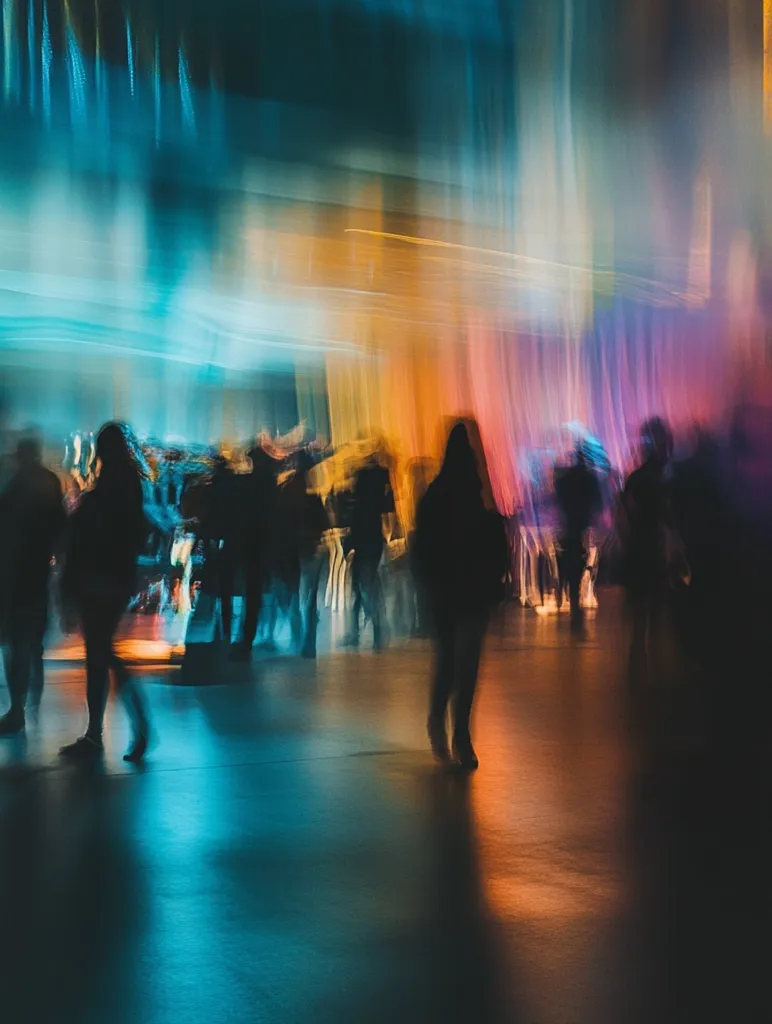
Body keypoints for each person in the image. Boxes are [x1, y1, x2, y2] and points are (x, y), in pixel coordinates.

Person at [413, 420, 508, 770]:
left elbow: (423, 547)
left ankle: (441, 725)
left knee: (449, 664)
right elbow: (493, 537)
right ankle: (460, 736)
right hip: (472, 592)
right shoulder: (477, 493)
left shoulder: (436, 495)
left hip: (447, 593)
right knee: (465, 667)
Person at [59, 423, 151, 762]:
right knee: (101, 652)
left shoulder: (109, 488)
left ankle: (105, 731)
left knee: (99, 653)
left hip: (99, 578)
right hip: (114, 578)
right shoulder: (129, 484)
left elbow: (93, 535)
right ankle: (115, 728)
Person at [0, 433, 66, 734]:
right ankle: (30, 694)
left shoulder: (14, 485)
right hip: (36, 572)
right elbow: (60, 527)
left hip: (14, 574)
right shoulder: (48, 483)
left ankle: (17, 707)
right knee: (31, 636)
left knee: (15, 640)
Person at [622, 417, 674, 666]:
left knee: (641, 612)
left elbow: (626, 515)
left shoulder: (636, 479)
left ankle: (639, 659)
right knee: (654, 610)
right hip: (654, 548)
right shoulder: (664, 479)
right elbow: (669, 516)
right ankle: (653, 662)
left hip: (640, 547)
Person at [341, 445, 395, 651]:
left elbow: (357, 521)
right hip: (372, 542)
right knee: (366, 587)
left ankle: (374, 633)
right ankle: (374, 633)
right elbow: (387, 509)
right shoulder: (378, 491)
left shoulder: (362, 498)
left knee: (364, 588)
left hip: (365, 543)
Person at [554, 444, 603, 636]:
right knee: (580, 566)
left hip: (569, 529)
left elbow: (558, 497)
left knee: (571, 569)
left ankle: (573, 605)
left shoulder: (566, 480)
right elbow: (597, 503)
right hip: (582, 529)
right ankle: (576, 609)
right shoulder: (590, 480)